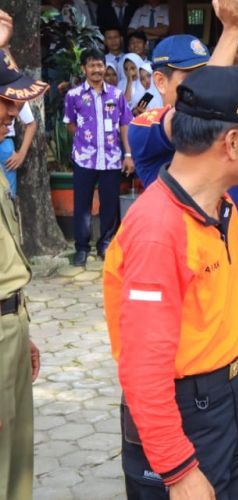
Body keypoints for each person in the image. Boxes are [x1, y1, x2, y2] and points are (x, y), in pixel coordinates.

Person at [103, 64, 238, 499]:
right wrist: (178, 468)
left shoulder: (223, 207)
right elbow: (143, 370)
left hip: (229, 399)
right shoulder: (157, 230)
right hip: (184, 413)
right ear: (231, 142)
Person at [0, 12, 47, 498]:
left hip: (11, 326)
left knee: (17, 466)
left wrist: (20, 329)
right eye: (5, 104)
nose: (12, 114)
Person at [63, 48, 134, 267]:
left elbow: (124, 124)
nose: (97, 69)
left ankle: (105, 244)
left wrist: (128, 154)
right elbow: (70, 124)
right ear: (84, 68)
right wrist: (85, 142)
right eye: (92, 65)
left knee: (109, 204)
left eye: (100, 65)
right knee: (82, 204)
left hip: (112, 159)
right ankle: (81, 248)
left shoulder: (116, 94)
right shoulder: (73, 95)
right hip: (85, 159)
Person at [0, 101, 36, 198]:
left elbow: (31, 124)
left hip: (4, 145)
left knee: (7, 195)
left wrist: (21, 154)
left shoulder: (16, 92)